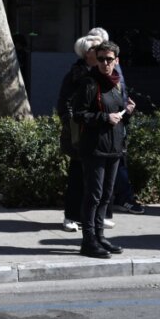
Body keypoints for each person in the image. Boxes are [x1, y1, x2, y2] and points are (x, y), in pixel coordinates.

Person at [71, 41, 135, 258]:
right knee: (94, 195)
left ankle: (99, 236)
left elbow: (119, 116)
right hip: (94, 148)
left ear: (116, 60)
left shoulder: (117, 83)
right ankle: (88, 241)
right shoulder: (89, 83)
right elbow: (78, 114)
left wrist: (127, 111)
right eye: (101, 59)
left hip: (114, 148)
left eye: (109, 59)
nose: (105, 63)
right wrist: (104, 117)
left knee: (107, 195)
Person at [56, 33, 101, 232]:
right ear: (86, 53)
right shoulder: (75, 75)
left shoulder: (104, 72)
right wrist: (71, 123)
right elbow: (64, 102)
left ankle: (93, 216)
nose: (99, 52)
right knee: (77, 174)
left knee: (97, 178)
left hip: (100, 129)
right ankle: (71, 216)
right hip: (80, 130)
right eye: (94, 48)